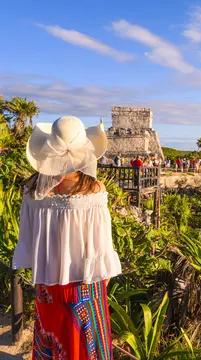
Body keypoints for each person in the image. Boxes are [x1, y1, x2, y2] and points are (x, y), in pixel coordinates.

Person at [12, 116, 121, 359]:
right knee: (85, 346)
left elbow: (28, 243)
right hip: (84, 287)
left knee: (50, 341)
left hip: (46, 286)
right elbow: (102, 249)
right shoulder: (93, 191)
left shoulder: (32, 190)